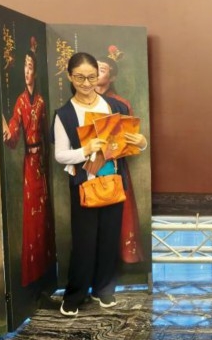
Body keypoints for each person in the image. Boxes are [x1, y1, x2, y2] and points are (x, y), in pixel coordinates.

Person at [52, 52, 147, 317]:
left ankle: (104, 290)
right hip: (85, 185)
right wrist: (86, 149)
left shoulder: (115, 107)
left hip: (113, 181)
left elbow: (129, 143)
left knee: (109, 239)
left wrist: (141, 143)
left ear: (98, 76)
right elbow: (60, 155)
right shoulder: (65, 114)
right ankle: (74, 296)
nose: (86, 83)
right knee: (84, 243)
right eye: (80, 77)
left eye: (91, 77)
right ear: (70, 77)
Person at [3, 49, 56, 287]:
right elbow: (14, 132)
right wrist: (8, 132)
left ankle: (47, 270)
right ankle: (32, 274)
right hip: (30, 163)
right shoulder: (21, 101)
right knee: (33, 215)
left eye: (30, 66)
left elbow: (47, 133)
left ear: (36, 71)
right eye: (24, 66)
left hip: (43, 162)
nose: (27, 71)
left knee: (45, 216)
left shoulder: (42, 101)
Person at [95, 55, 144, 263]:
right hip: (90, 164)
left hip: (116, 163)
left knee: (120, 212)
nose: (96, 72)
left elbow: (130, 139)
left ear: (112, 77)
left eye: (102, 69)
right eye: (94, 68)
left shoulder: (122, 104)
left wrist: (138, 142)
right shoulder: (83, 102)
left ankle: (124, 257)